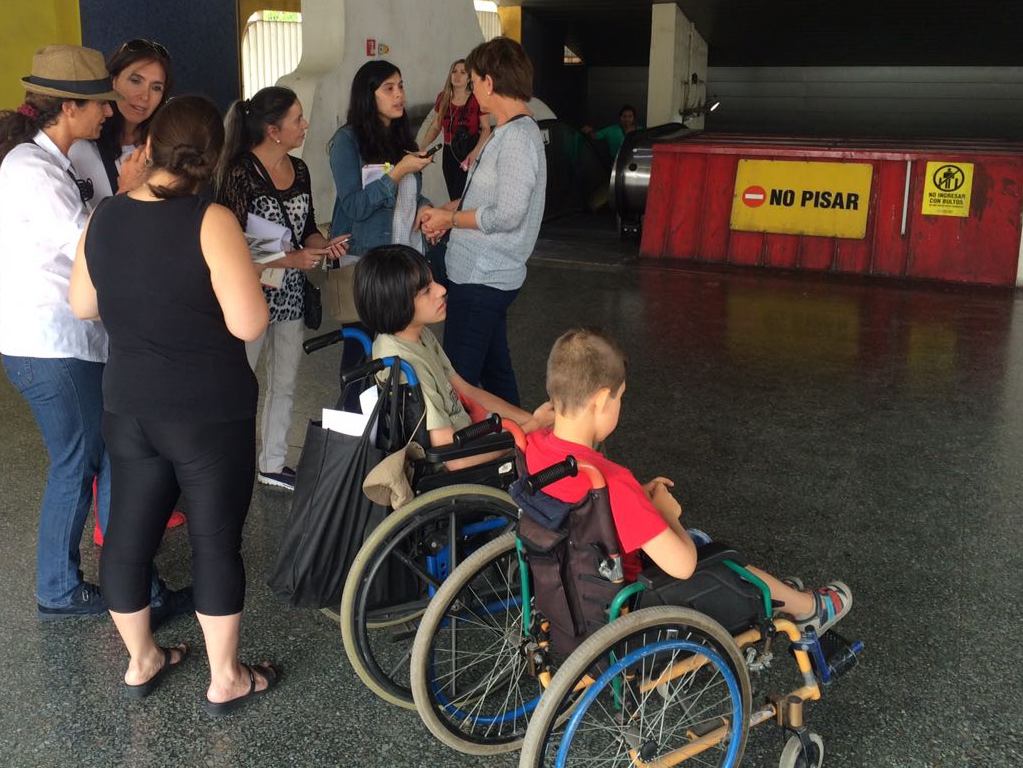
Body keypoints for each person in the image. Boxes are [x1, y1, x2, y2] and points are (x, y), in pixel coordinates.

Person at [69, 95, 278, 713]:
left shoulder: (104, 216)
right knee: (215, 541)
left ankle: (142, 660)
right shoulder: (210, 220)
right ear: (212, 158)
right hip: (207, 410)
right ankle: (226, 678)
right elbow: (247, 322)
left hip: (129, 405)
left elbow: (84, 304)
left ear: (150, 145)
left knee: (129, 536)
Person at [525, 328, 853, 634]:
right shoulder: (612, 482)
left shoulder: (536, 446)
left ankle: (781, 595)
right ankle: (808, 608)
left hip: (566, 587)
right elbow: (683, 566)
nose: (620, 406)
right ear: (599, 400)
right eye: (619, 398)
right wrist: (667, 513)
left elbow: (582, 506)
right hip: (626, 601)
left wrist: (639, 499)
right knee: (717, 556)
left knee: (701, 546)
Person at [0, 45, 118, 619]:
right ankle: (57, 588)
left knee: (85, 456)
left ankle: (69, 579)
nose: (109, 114)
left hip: (69, 340)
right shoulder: (31, 168)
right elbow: (87, 247)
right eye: (99, 104)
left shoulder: (64, 158)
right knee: (76, 460)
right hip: (48, 344)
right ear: (69, 106)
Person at [217, 86, 348, 491]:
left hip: (288, 295)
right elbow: (229, 244)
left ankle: (272, 462)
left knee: (285, 381)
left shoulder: (301, 169)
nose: (305, 125)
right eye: (298, 119)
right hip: (249, 295)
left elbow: (305, 229)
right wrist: (288, 260)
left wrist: (322, 246)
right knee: (239, 381)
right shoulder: (239, 172)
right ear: (273, 130)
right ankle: (221, 460)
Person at [419, 37, 547, 407]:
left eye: (474, 81)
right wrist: (447, 214)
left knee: (457, 383)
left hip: (483, 277)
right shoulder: (508, 132)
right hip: (480, 274)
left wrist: (452, 218)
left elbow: (508, 214)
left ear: (489, 83)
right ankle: (515, 451)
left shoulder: (518, 139)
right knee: (495, 375)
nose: (473, 90)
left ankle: (457, 457)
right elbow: (486, 198)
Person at [354, 244, 552, 469]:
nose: (441, 290)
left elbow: (466, 390)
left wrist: (532, 421)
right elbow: (454, 459)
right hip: (462, 461)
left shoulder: (416, 334)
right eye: (426, 290)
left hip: (469, 433)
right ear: (396, 304)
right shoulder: (408, 365)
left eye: (433, 281)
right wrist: (529, 428)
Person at [328, 60, 434, 399]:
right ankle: (352, 440)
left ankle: (389, 436)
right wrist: (398, 171)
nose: (399, 94)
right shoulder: (347, 142)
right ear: (367, 95)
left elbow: (406, 195)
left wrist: (425, 205)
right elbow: (355, 206)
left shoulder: (400, 139)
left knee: (397, 358)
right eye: (388, 88)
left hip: (403, 264)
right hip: (366, 264)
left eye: (401, 85)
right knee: (362, 361)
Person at [69, 38, 172, 200]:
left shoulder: (166, 151)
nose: (145, 96)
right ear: (113, 80)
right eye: (135, 81)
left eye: (156, 87)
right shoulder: (78, 146)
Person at [421, 58, 491, 199]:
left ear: (469, 78)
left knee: (465, 199)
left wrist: (475, 153)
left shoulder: (477, 99)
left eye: (463, 72)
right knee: (454, 196)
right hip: (449, 153)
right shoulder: (443, 98)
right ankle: (457, 221)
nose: (457, 75)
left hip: (469, 151)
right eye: (454, 71)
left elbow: (486, 129)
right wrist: (422, 147)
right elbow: (436, 126)